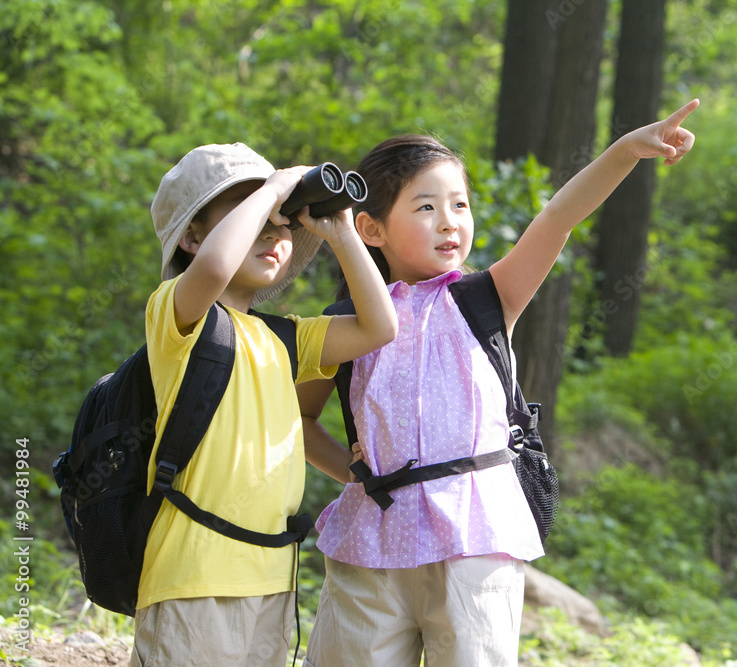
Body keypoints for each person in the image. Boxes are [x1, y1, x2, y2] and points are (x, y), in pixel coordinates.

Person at [298, 99, 699, 667]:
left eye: (460, 204)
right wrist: (354, 471)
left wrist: (625, 151)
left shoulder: (487, 299)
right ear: (370, 228)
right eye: (426, 207)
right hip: (371, 540)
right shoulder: (344, 324)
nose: (449, 221)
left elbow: (557, 217)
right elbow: (301, 421)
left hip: (475, 535)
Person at [133, 142, 397, 666]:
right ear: (190, 236)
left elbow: (379, 326)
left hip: (272, 577)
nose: (274, 233)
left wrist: (342, 232)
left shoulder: (284, 339)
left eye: (282, 227)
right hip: (193, 575)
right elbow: (209, 272)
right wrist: (275, 188)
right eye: (250, 217)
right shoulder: (178, 314)